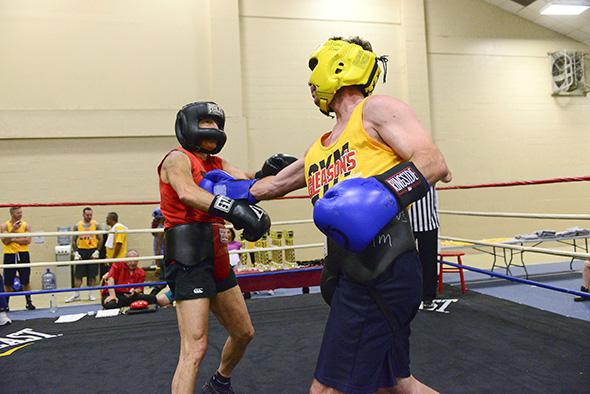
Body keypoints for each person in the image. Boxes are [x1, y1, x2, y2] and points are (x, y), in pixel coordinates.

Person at [203, 36, 452, 393]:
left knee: (326, 389)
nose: (309, 84)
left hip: (383, 266)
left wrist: (378, 194)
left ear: (338, 66)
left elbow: (433, 162)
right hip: (352, 270)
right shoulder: (319, 148)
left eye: (313, 71)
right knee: (397, 385)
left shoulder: (376, 110)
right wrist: (221, 190)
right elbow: (271, 185)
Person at [158, 101, 290, 394]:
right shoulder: (176, 159)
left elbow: (246, 182)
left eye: (217, 124)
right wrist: (234, 210)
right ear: (188, 125)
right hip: (188, 256)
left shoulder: (217, 164)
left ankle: (219, 383)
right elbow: (187, 192)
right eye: (207, 123)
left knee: (243, 332)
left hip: (216, 253)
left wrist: (269, 173)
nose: (214, 130)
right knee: (194, 348)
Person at [409, 186, 440, 309]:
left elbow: (447, 177)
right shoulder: (402, 167)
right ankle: (413, 295)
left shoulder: (432, 166)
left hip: (428, 222)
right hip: (407, 222)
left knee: (429, 262)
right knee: (404, 262)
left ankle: (428, 297)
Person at [1, 207, 36, 310]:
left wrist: (13, 238)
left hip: (23, 253)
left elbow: (27, 240)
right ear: (12, 214)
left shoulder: (26, 225)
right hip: (9, 254)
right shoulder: (5, 226)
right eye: (18, 213)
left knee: (25, 280)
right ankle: (6, 304)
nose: (20, 215)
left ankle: (29, 302)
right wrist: (13, 230)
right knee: (8, 282)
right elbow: (5, 242)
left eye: (21, 213)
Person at [66, 207, 102, 303]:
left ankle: (91, 294)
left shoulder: (96, 225)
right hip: (81, 251)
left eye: (90, 215)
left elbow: (100, 238)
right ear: (83, 215)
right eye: (87, 215)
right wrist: (75, 252)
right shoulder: (77, 225)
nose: (89, 217)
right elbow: (73, 240)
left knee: (92, 275)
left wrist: (97, 251)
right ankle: (76, 294)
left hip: (92, 250)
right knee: (78, 275)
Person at [102, 212, 127, 277]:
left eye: (107, 218)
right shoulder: (112, 229)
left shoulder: (119, 228)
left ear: (111, 219)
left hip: (118, 260)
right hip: (113, 259)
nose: (106, 220)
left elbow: (119, 244)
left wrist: (113, 259)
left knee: (117, 278)